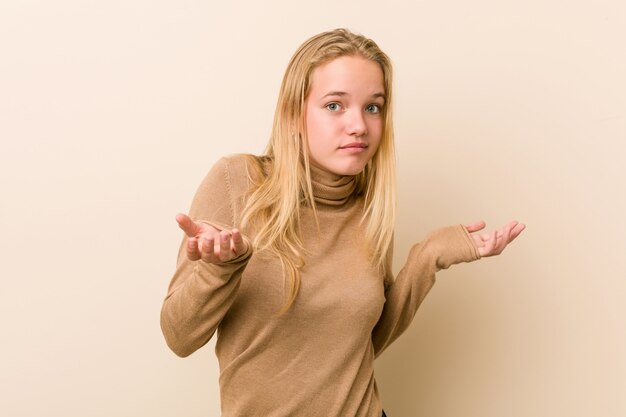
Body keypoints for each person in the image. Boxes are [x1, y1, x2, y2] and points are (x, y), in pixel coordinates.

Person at [160, 28, 525, 417]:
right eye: (335, 105)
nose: (359, 126)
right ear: (294, 112)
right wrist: (219, 271)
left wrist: (426, 258)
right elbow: (179, 337)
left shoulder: (369, 210)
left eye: (373, 107)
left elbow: (356, 346)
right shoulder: (237, 182)